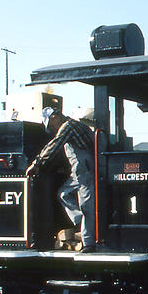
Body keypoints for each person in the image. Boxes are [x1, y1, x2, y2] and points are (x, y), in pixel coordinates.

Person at [26, 107, 97, 253]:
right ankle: (80, 223)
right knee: (64, 194)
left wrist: (36, 164)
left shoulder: (68, 126)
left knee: (86, 205)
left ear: (54, 117)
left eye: (51, 125)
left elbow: (54, 145)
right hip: (79, 170)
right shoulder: (73, 126)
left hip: (86, 170)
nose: (52, 128)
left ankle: (89, 242)